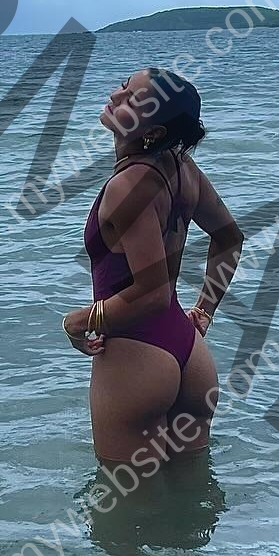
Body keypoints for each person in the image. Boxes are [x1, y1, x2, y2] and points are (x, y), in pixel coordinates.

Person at [62, 68, 245, 465]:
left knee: (127, 516)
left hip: (136, 357)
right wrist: (204, 310)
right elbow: (230, 239)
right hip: (190, 354)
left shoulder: (129, 185)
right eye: (124, 86)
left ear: (155, 132)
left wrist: (79, 320)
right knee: (194, 501)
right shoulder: (184, 171)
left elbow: (151, 293)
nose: (115, 95)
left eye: (131, 98)